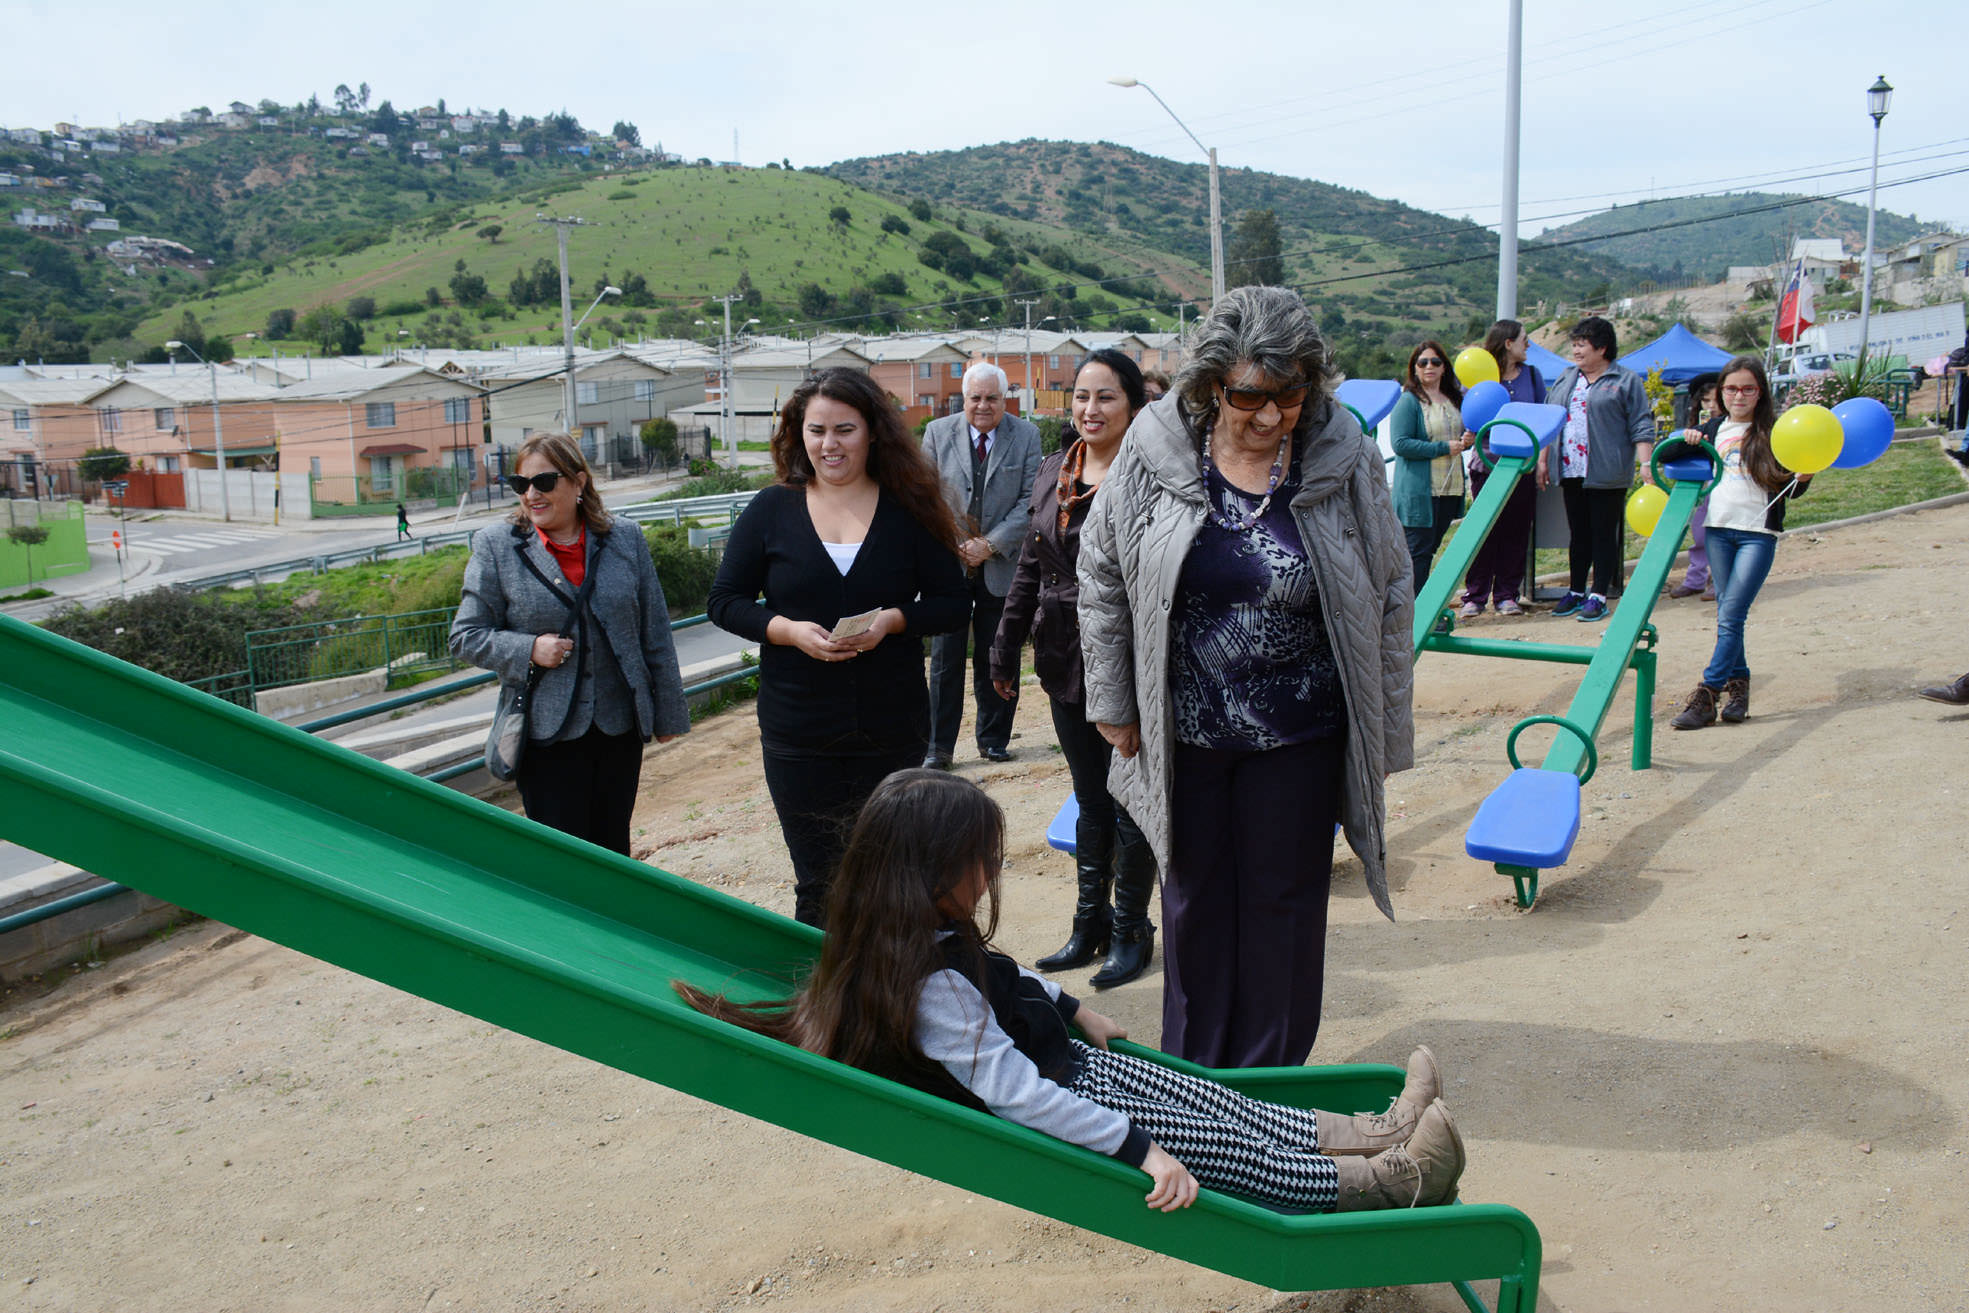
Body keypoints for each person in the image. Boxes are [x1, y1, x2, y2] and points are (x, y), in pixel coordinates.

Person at [676, 770, 1465, 1214]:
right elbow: (1018, 1096)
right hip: (1069, 1103)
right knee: (1221, 1147)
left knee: (1219, 1102)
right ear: (926, 873)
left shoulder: (918, 937)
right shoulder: (926, 990)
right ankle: (1388, 1182)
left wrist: (1072, 1006)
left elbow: (1007, 971)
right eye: (981, 860)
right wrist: (1139, 1148)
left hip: (1075, 1066)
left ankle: (1373, 1130)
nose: (991, 873)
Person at [1077, 285, 1415, 1069]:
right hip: (1182, 728)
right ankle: (1197, 1073)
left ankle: (1269, 1078)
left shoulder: (1345, 455)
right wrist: (1112, 698)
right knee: (1192, 902)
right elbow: (1100, 576)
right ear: (1208, 385)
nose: (1269, 415)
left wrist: (1385, 721)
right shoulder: (1154, 449)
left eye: (1289, 394)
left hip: (1300, 732)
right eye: (1248, 396)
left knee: (1283, 906)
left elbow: (1392, 588)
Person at [708, 368, 969, 926]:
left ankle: (896, 1007)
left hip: (892, 725)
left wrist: (895, 620)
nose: (830, 444)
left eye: (844, 429)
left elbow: (952, 603)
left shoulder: (910, 508)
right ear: (798, 434)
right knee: (819, 886)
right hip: (798, 730)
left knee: (895, 882)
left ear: (873, 431)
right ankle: (822, 1010)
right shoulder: (770, 509)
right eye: (817, 430)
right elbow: (725, 601)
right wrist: (787, 630)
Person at [989, 349, 1159, 989]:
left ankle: (1130, 929)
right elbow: (1031, 567)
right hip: (1063, 657)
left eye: (1105, 397)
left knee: (1131, 800)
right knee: (1090, 797)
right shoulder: (1055, 470)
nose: (1090, 409)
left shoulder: (1152, 475)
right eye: (1081, 397)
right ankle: (1088, 925)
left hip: (1131, 658)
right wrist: (1003, 651)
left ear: (1134, 406)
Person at [449, 431, 689, 853]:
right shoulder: (496, 547)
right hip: (546, 737)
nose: (532, 495)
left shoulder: (625, 538)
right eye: (521, 484)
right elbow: (466, 637)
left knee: (613, 848)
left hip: (619, 730)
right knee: (561, 857)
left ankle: (611, 921)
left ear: (578, 483)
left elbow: (654, 634)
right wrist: (528, 650)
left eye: (544, 482)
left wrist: (668, 714)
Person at [1659, 356, 1809, 730]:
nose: (1738, 396)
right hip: (1719, 530)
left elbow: (1795, 488)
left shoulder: (1774, 431)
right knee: (1729, 613)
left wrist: (1804, 475)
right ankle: (1738, 690)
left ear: (1760, 393)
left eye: (1747, 389)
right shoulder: (1713, 428)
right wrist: (1687, 437)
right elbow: (1668, 455)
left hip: (1758, 534)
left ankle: (1707, 693)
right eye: (1731, 389)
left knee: (1731, 615)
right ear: (1720, 394)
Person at [920, 363, 1043, 767]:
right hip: (949, 566)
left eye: (992, 398)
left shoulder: (1025, 435)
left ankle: (994, 740)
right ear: (964, 398)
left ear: (1004, 399)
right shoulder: (938, 434)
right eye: (975, 397)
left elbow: (1032, 501)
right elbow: (924, 496)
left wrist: (990, 545)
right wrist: (957, 545)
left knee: (997, 654)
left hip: (1002, 565)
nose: (983, 406)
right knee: (944, 661)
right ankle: (938, 747)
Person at [1546, 316, 1656, 623]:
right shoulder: (1568, 377)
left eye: (1583, 344)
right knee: (1578, 533)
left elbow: (1641, 423)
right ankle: (1576, 590)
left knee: (1604, 534)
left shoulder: (1624, 380)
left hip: (1607, 471)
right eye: (1575, 344)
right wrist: (1543, 460)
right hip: (1572, 468)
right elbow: (1550, 418)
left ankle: (1599, 593)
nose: (1576, 350)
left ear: (1602, 347)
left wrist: (1645, 463)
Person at [1459, 320, 1547, 618]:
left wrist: (1541, 460)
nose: (1529, 345)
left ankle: (1507, 594)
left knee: (1516, 531)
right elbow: (1467, 416)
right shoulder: (1481, 376)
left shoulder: (1532, 376)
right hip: (1485, 465)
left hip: (1522, 466)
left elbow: (1542, 417)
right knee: (1484, 532)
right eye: (1524, 339)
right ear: (1508, 343)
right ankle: (1475, 595)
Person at [1389, 341, 1472, 597]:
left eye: (1435, 362)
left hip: (1449, 489)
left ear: (1444, 367)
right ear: (1414, 368)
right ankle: (1413, 616)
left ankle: (1419, 611)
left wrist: (1466, 441)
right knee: (1417, 555)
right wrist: (1443, 448)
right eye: (1423, 362)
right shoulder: (1409, 401)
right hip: (1419, 494)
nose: (1429, 367)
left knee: (1429, 551)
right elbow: (1400, 444)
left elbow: (1458, 440)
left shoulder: (1454, 399)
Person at [1668, 373, 1720, 601]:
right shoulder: (1697, 427)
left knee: (1720, 534)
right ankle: (1696, 578)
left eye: (1717, 400)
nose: (1712, 406)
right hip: (1703, 486)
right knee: (1699, 531)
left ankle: (1719, 580)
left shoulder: (1729, 427)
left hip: (1726, 484)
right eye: (1707, 401)